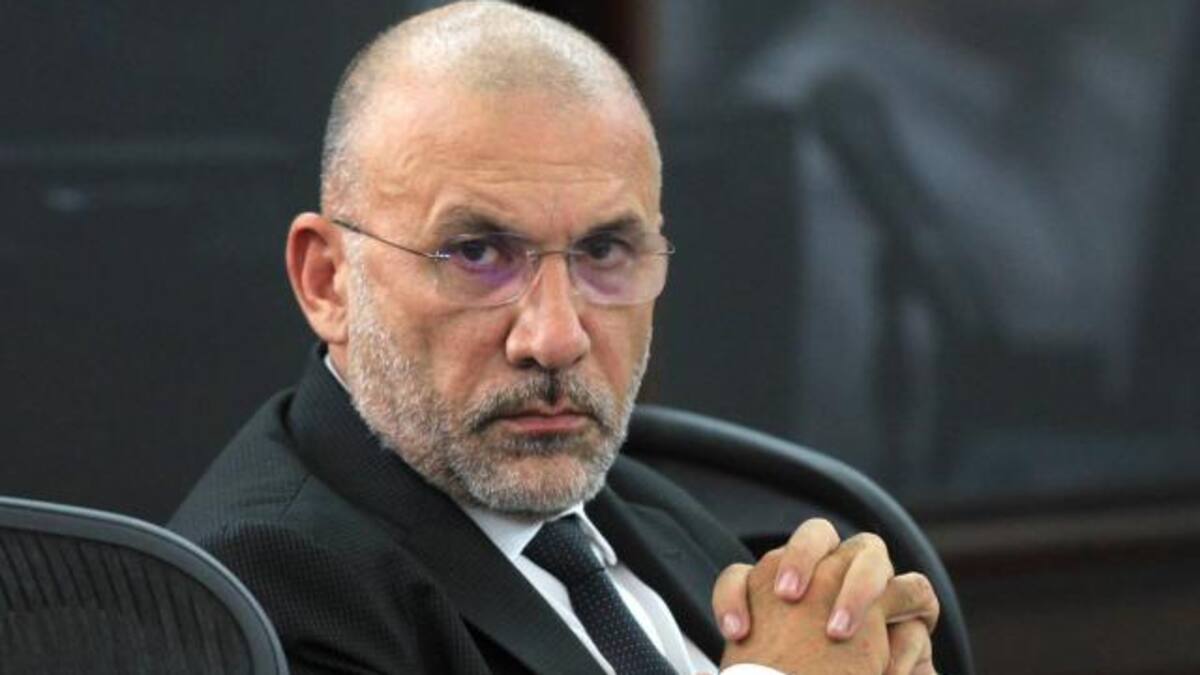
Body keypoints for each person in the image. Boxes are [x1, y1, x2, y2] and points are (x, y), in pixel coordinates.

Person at [170, 2, 939, 673]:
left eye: (603, 251)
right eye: (476, 253)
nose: (556, 337)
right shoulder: (258, 587)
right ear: (328, 281)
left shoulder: (644, 505)